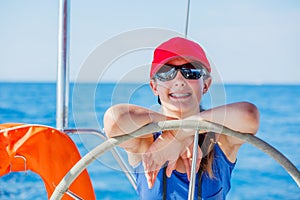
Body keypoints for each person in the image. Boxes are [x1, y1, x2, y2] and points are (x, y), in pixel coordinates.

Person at [104, 37, 260, 199]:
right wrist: (175, 130)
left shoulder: (218, 140)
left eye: (191, 72)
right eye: (166, 73)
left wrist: (180, 135)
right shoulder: (146, 139)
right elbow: (115, 120)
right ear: (154, 87)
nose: (179, 80)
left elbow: (249, 115)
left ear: (205, 85)